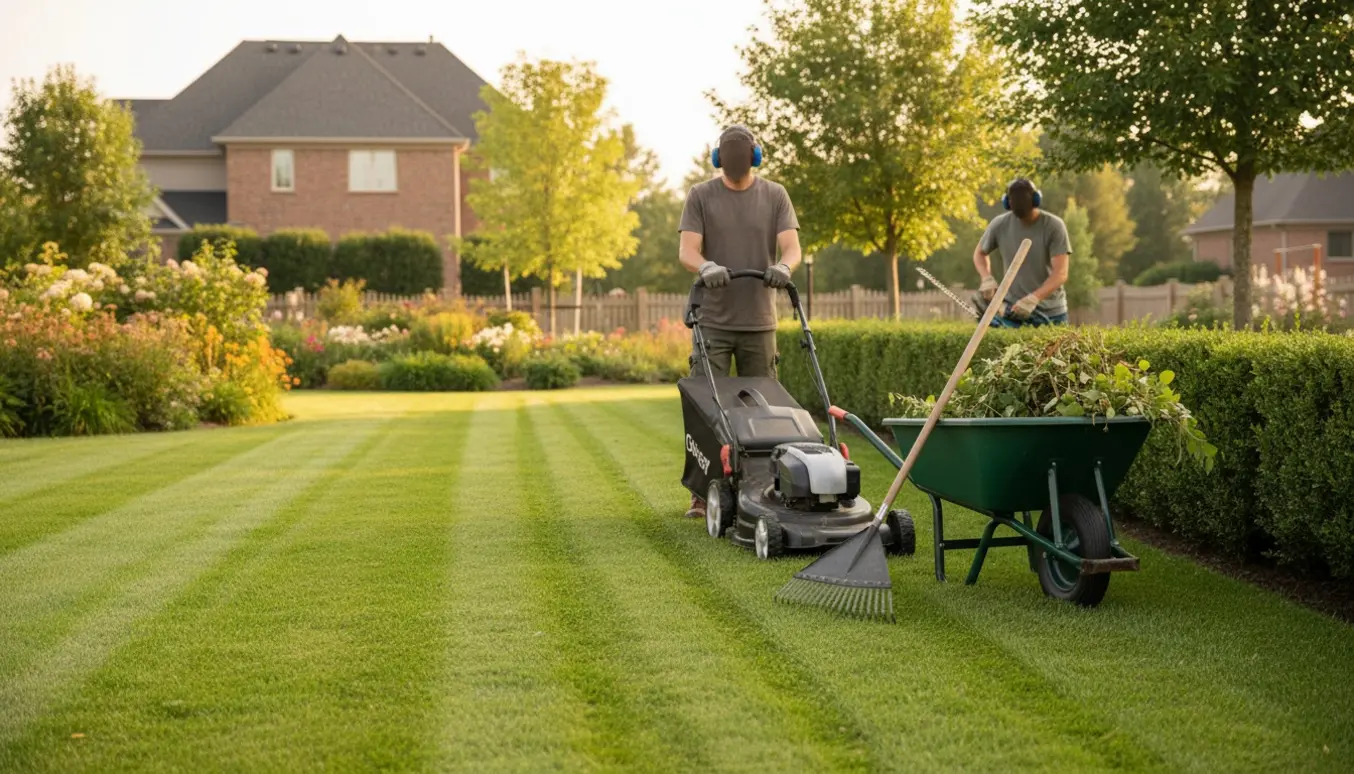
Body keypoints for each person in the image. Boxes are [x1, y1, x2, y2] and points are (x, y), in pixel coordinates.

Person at [677, 124, 802, 520]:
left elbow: (792, 246)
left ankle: (764, 487)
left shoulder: (775, 194)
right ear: (718, 159)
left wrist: (784, 266)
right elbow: (687, 250)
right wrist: (707, 264)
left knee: (764, 412)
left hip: (759, 321)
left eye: (739, 155)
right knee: (707, 409)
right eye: (726, 156)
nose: (732, 163)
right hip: (712, 320)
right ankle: (702, 494)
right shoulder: (700, 195)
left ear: (755, 156)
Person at [972, 178, 1072, 326]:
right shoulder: (1000, 224)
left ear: (1035, 200)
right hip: (1013, 313)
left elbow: (1061, 274)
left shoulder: (1054, 226)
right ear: (1008, 203)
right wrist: (986, 278)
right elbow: (979, 253)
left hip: (1051, 314)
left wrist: (1034, 298)